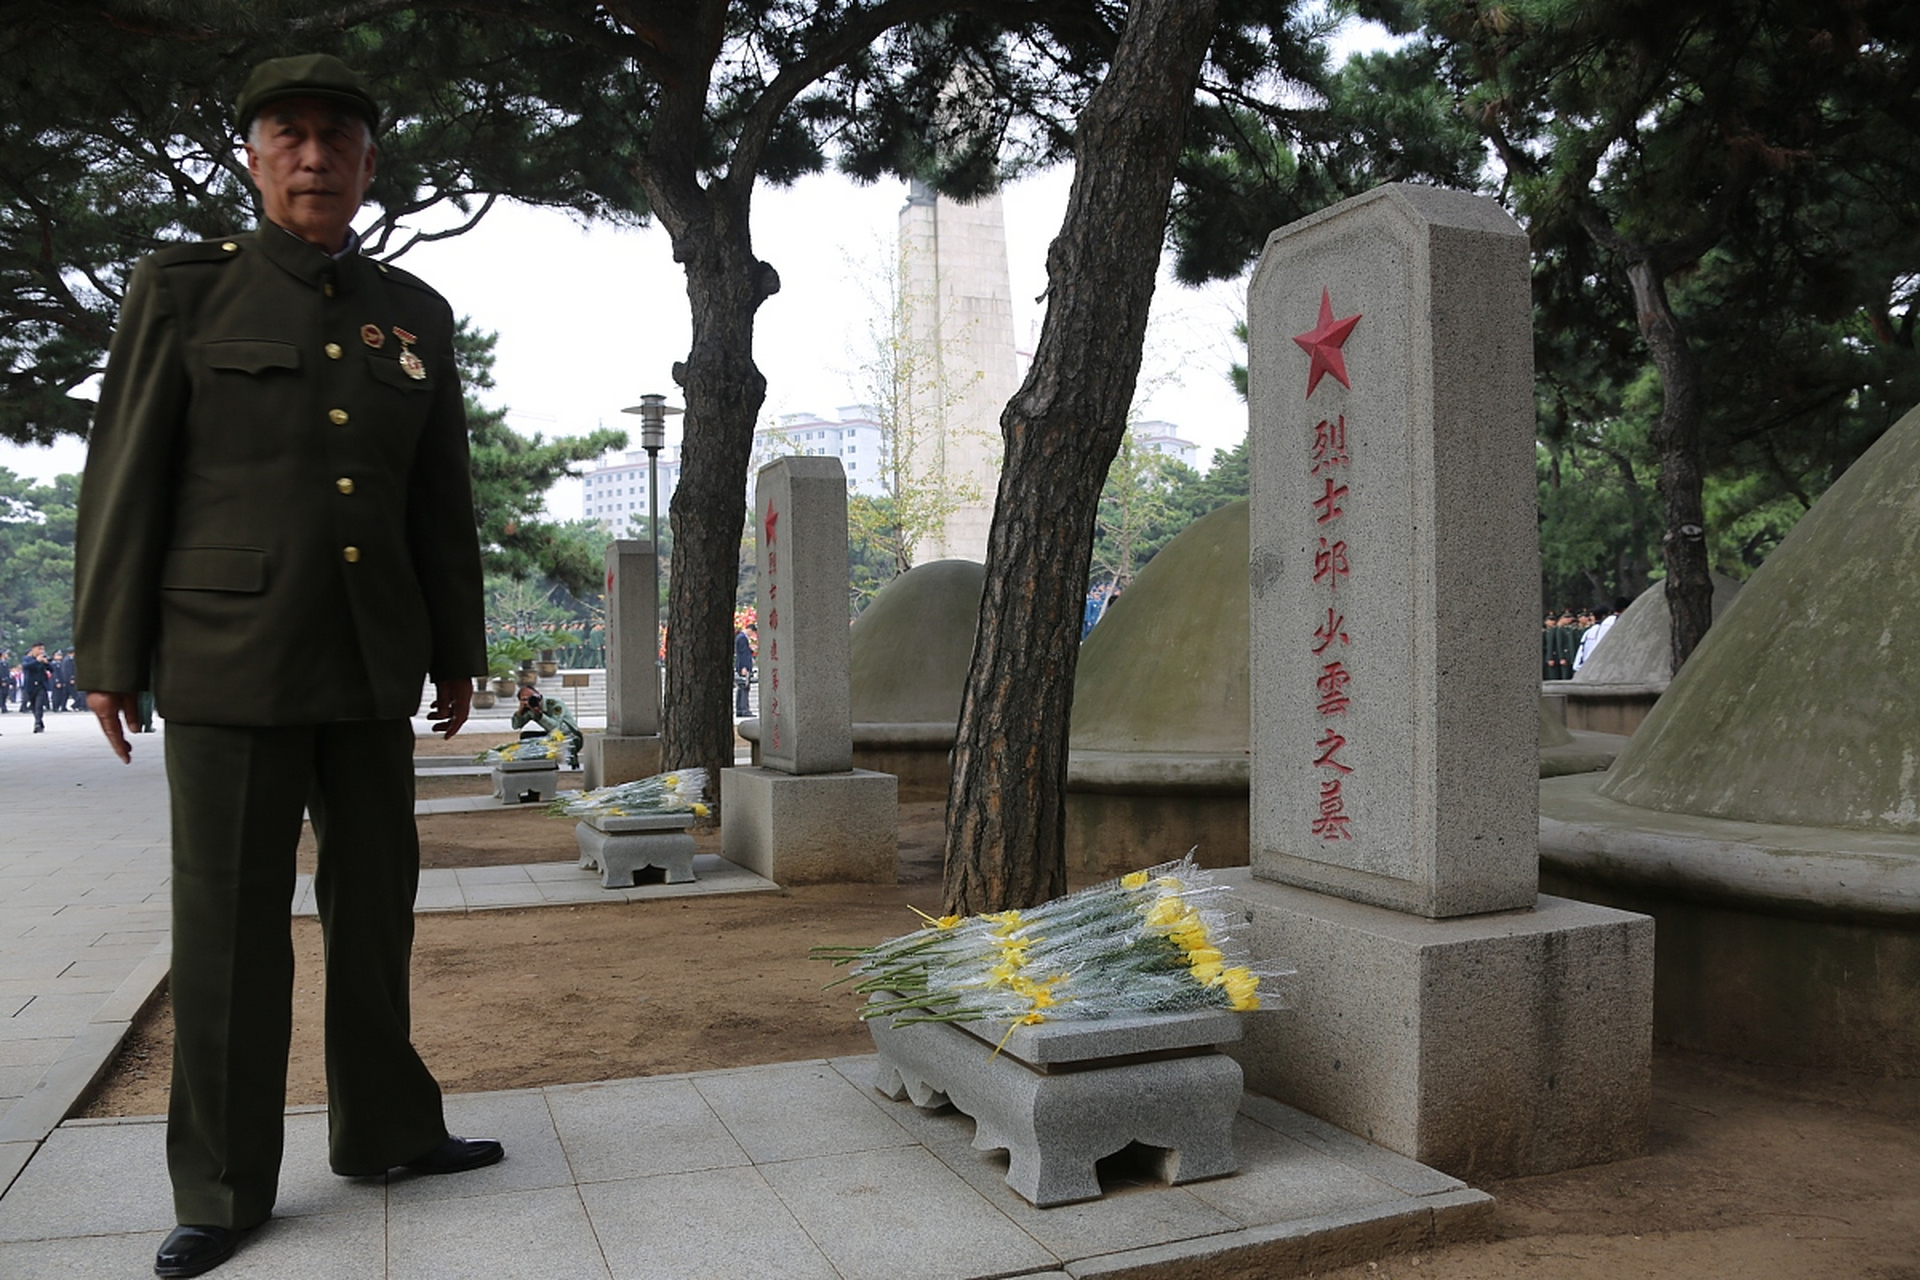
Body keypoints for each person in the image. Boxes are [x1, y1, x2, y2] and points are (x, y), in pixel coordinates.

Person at [73, 54, 500, 1280]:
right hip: (229, 659)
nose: (315, 157)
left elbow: (437, 498)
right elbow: (126, 473)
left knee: (375, 914)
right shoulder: (183, 292)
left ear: (371, 165)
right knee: (229, 933)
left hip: (372, 659)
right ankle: (220, 1183)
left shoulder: (412, 313)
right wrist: (110, 650)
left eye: (338, 139)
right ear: (254, 158)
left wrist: (457, 646)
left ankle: (388, 1129)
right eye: (290, 135)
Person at [511, 682, 582, 766]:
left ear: (539, 694)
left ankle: (571, 760)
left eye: (533, 697)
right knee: (526, 736)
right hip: (551, 735)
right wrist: (520, 712)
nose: (532, 701)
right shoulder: (529, 708)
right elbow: (515, 726)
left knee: (548, 739)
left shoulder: (555, 704)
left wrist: (539, 714)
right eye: (525, 699)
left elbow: (555, 727)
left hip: (572, 735)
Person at [20, 642, 51, 732]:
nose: (41, 651)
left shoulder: (43, 659)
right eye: (39, 649)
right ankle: (39, 721)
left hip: (41, 685)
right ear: (33, 649)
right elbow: (26, 666)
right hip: (31, 686)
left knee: (39, 705)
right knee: (33, 705)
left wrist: (46, 663)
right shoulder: (27, 659)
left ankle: (37, 723)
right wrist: (37, 661)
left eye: (42, 649)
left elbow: (51, 669)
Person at [734, 622, 756, 717]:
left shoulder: (740, 637)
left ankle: (740, 709)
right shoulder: (742, 638)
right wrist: (744, 667)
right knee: (744, 688)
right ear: (750, 630)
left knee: (741, 687)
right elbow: (743, 654)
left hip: (742, 665)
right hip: (743, 666)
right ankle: (744, 709)